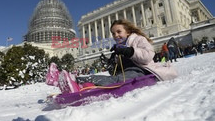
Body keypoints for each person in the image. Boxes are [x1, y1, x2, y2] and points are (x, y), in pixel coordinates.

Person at [48, 19, 178, 94]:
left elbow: (148, 55)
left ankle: (77, 83)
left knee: (116, 81)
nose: (116, 35)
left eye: (119, 32)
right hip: (125, 74)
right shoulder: (117, 49)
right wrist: (110, 64)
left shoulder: (137, 39)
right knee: (112, 78)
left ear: (128, 32)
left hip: (140, 71)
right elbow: (115, 71)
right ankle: (71, 79)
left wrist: (129, 51)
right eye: (113, 33)